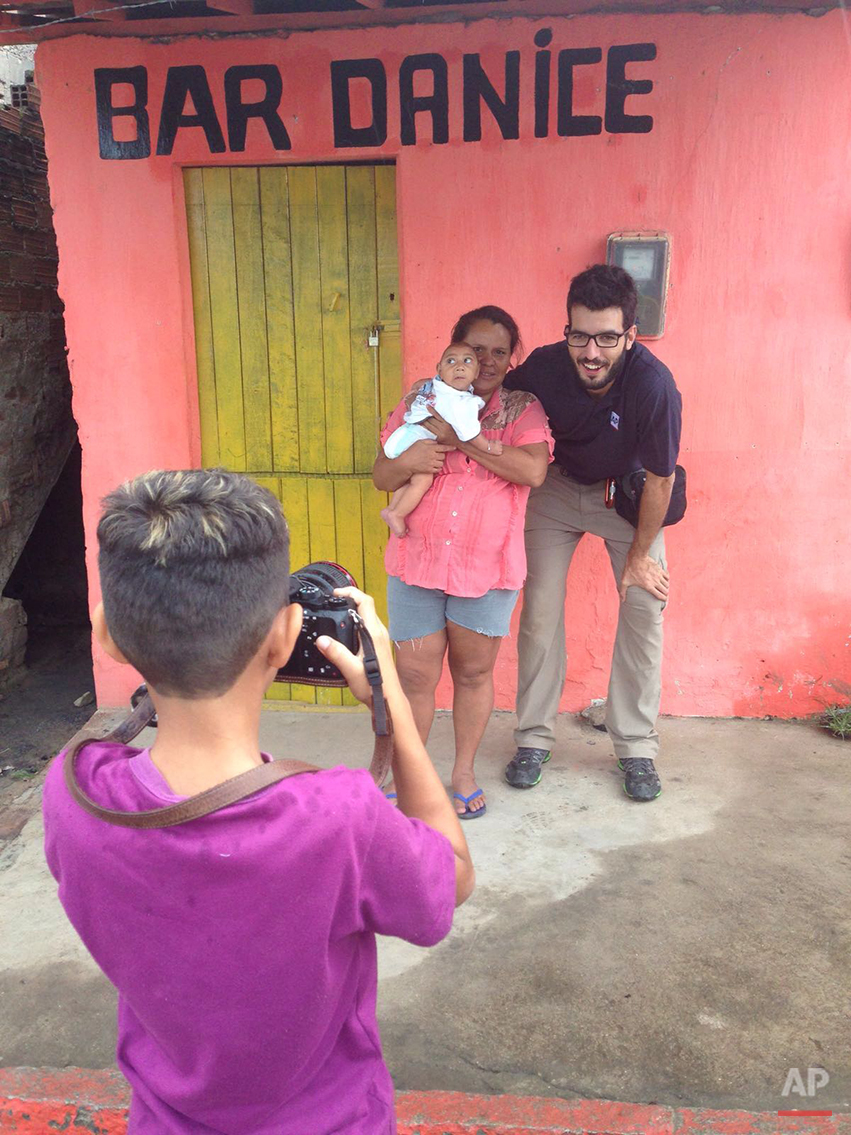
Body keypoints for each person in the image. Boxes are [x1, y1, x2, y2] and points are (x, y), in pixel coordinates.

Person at [42, 469, 475, 1135]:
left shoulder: (74, 791)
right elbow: (448, 881)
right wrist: (392, 708)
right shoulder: (337, 816)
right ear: (284, 635)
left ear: (107, 634)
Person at [503, 264, 682, 802]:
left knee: (645, 608)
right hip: (555, 490)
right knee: (538, 610)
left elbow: (661, 479)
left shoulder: (654, 385)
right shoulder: (544, 366)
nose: (591, 352)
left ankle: (636, 747)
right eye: (579, 335)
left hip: (627, 498)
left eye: (607, 337)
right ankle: (533, 737)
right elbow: (500, 405)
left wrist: (640, 558)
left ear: (630, 335)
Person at [373, 307, 553, 819]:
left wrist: (462, 440)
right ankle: (411, 773)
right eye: (476, 349)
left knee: (472, 674)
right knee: (413, 676)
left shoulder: (521, 409)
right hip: (418, 562)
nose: (487, 360)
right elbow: (382, 474)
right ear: (455, 350)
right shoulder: (420, 399)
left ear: (511, 357)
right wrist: (408, 462)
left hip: (486, 566)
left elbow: (532, 471)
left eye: (500, 351)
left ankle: (463, 773)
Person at [381, 341, 502, 537]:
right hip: (416, 441)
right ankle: (397, 513)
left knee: (408, 480)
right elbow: (470, 434)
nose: (459, 366)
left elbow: (417, 387)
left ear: (477, 371)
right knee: (423, 478)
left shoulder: (434, 386)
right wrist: (488, 447)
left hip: (402, 436)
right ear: (440, 369)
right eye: (451, 361)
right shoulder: (462, 401)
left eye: (467, 361)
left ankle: (392, 508)